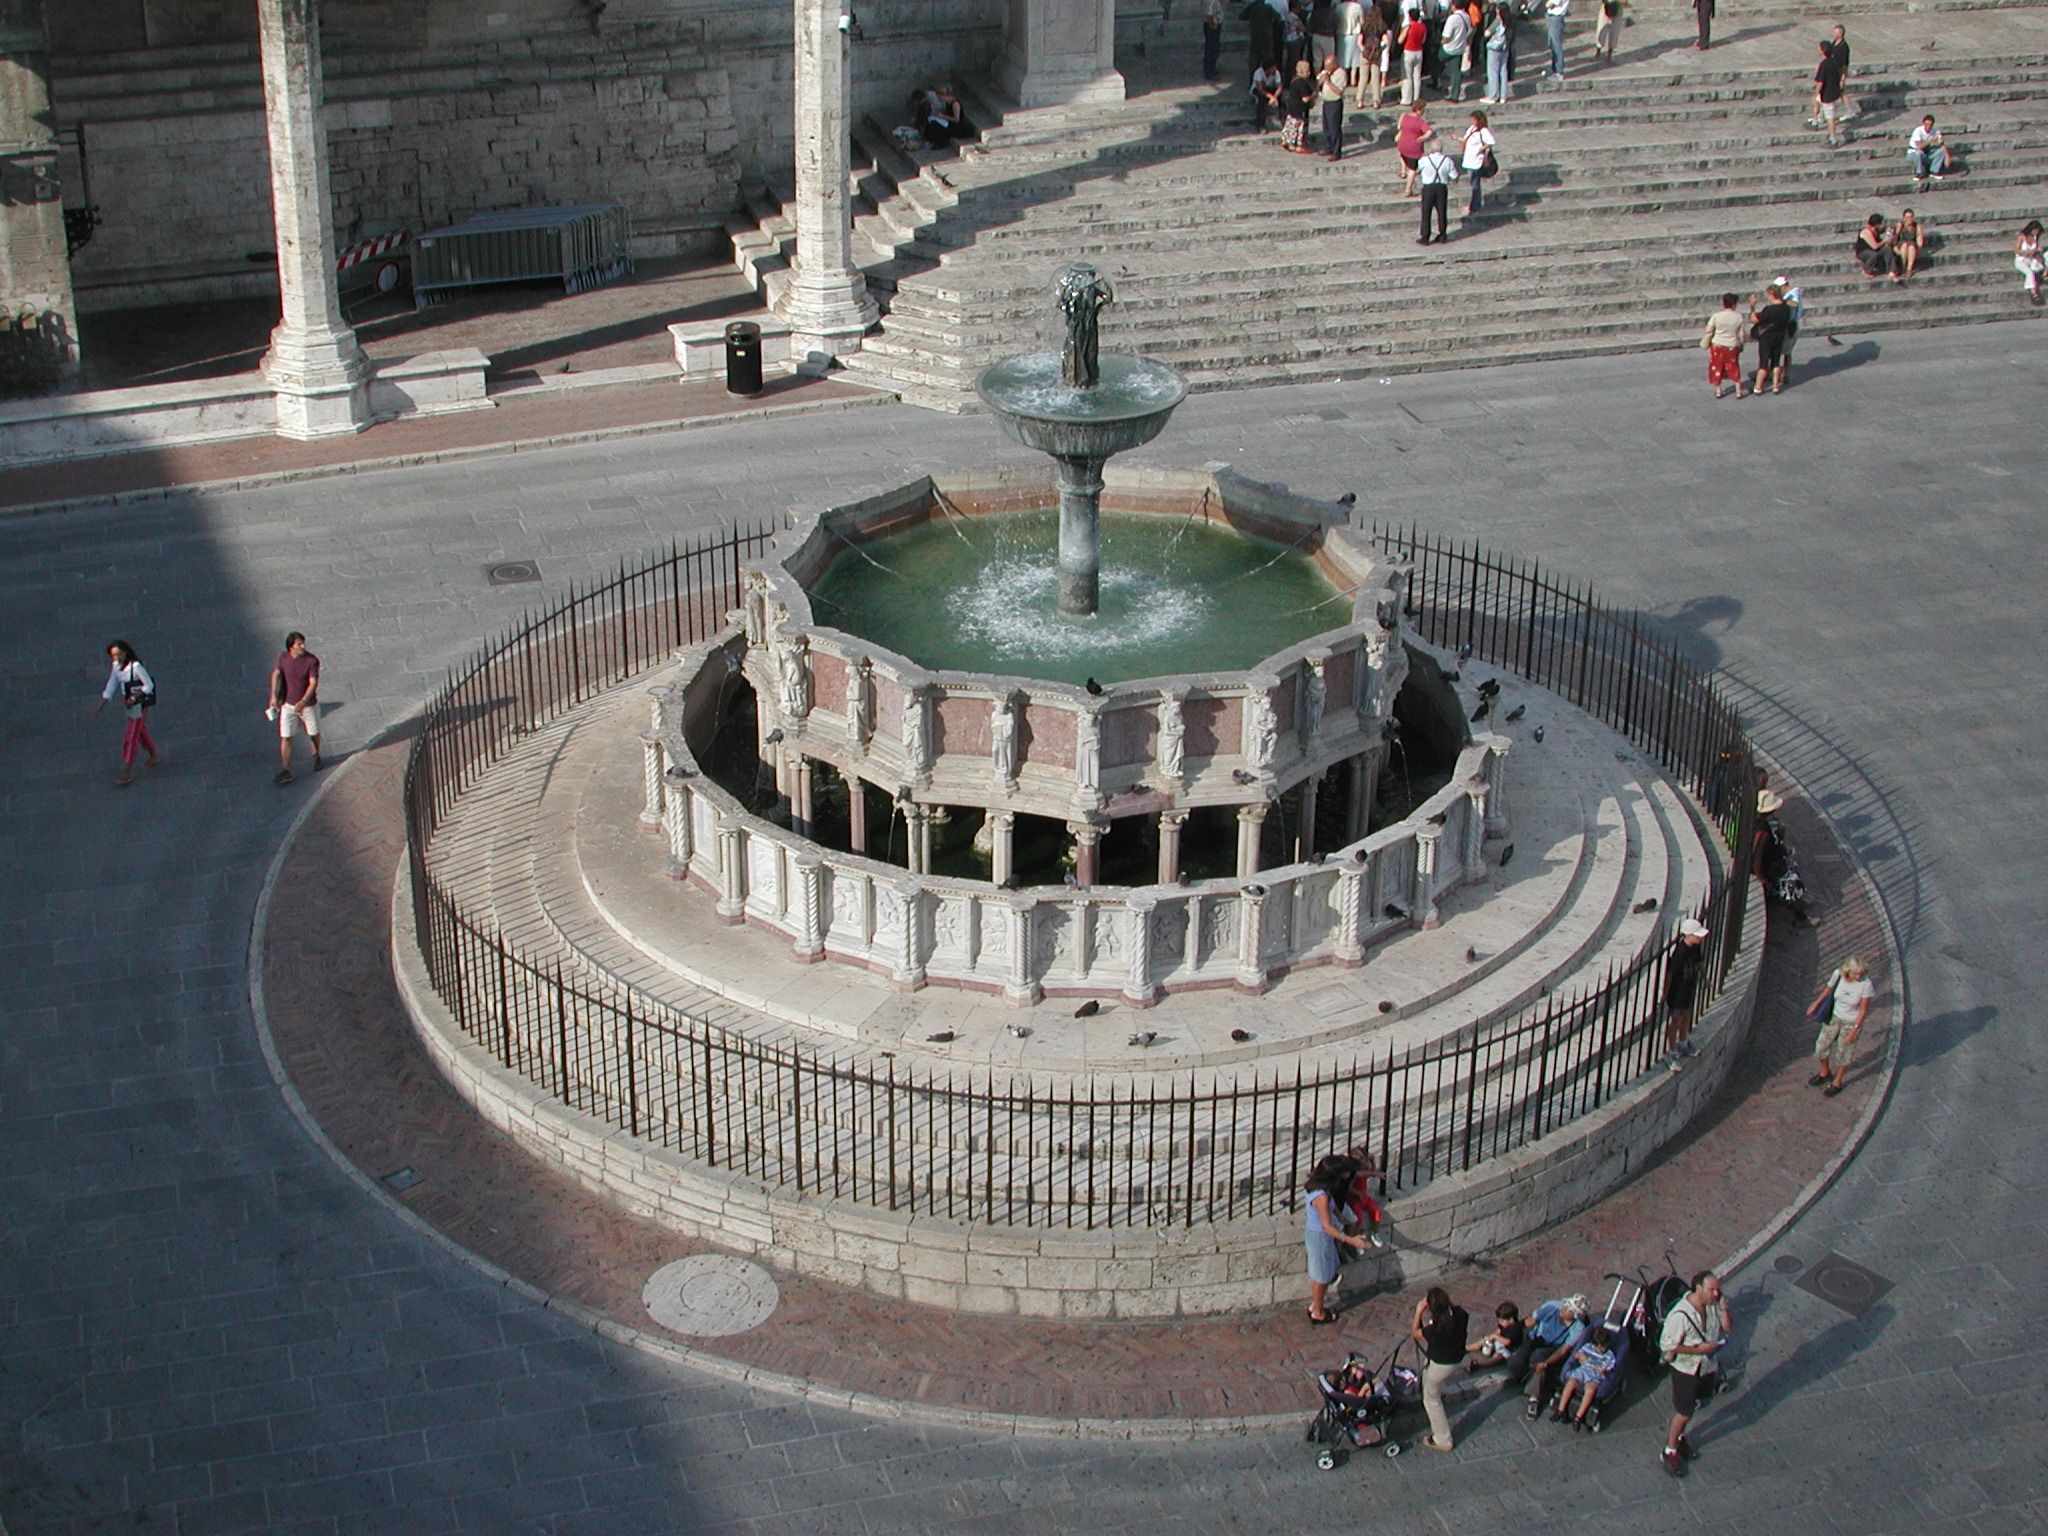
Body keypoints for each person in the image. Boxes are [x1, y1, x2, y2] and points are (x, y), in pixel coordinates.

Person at [1659, 1270, 1732, 1477]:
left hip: (1706, 1366)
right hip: (1686, 1369)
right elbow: (1667, 1344)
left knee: (1697, 1404)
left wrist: (1724, 1309)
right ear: (1698, 1288)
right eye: (1712, 1290)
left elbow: (1728, 1328)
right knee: (1684, 1412)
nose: (1716, 1294)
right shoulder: (1680, 1315)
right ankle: (1670, 1449)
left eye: (1718, 1289)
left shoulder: (1714, 1306)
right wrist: (1696, 1350)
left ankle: (1680, 1440)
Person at [1303, 1153, 1373, 1322]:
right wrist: (1352, 1240)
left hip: (1321, 1236)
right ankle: (1317, 1312)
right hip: (1320, 1237)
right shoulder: (1322, 1196)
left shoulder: (1319, 1187)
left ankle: (1316, 1306)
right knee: (1322, 1277)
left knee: (1327, 1271)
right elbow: (1326, 1226)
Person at [1409, 1285, 1470, 1452]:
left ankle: (1443, 1439)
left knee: (1431, 1399)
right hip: (1456, 1357)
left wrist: (1418, 1311)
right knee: (1433, 1387)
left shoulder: (1436, 1330)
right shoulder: (1460, 1314)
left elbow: (1415, 1333)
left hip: (1440, 1364)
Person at [94, 639, 159, 788]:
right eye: (113, 656)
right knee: (139, 731)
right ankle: (153, 754)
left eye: (118, 654)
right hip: (128, 702)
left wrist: (134, 697)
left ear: (125, 652)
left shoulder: (136, 667)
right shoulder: (117, 666)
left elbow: (149, 685)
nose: (116, 658)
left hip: (137, 703)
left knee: (131, 736)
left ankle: (127, 771)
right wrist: (101, 704)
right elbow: (112, 683)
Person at [1807, 955, 1874, 1097]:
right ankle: (1824, 1072)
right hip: (1834, 1017)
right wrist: (1816, 1003)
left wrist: (1854, 1030)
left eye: (1861, 973)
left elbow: (1863, 1010)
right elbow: (1828, 989)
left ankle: (1837, 1081)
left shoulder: (1866, 985)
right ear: (1848, 970)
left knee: (1844, 1053)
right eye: (1855, 973)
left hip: (1850, 1022)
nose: (1858, 976)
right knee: (1821, 1047)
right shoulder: (1838, 975)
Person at [1515, 1294, 1590, 1415]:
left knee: (1538, 1357)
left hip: (1554, 1347)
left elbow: (1563, 1350)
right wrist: (1514, 1327)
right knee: (1516, 1361)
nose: (1564, 1309)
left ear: (1574, 1316)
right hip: (1537, 1338)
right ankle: (1528, 1376)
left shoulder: (1578, 1327)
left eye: (1568, 1310)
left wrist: (1546, 1363)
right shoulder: (1552, 1306)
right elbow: (1532, 1320)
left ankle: (1534, 1397)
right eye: (1565, 1306)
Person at [269, 631, 323, 785]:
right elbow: (276, 674)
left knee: (313, 733)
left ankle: (316, 754)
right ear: (291, 647)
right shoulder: (283, 658)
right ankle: (286, 770)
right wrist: (273, 695)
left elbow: (313, 683)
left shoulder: (312, 661)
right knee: (286, 737)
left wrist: (303, 701)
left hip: (308, 705)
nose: (303, 646)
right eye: (299, 644)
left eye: (303, 643)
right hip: (288, 704)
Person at [1551, 1325, 1618, 1428]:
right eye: (1598, 1347)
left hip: (1595, 1375)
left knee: (1590, 1390)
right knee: (1570, 1384)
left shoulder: (1609, 1355)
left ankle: (1578, 1416)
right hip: (1582, 1371)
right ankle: (1561, 1410)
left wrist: (1604, 1371)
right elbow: (1577, 1354)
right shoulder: (1587, 1347)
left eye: (1603, 1347)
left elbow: (1609, 1370)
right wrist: (1580, 1357)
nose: (1601, 1350)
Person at [1663, 915, 1709, 1067]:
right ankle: (1671, 1051)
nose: (1700, 938)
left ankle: (1683, 1042)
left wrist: (1704, 978)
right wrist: (1665, 993)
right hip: (1678, 991)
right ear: (1689, 935)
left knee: (1686, 1015)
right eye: (1697, 935)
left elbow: (1698, 962)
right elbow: (1670, 973)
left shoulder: (1694, 947)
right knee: (1676, 1019)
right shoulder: (1680, 952)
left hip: (1689, 986)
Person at [1748, 283, 1792, 395]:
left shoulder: (1769, 309)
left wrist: (1752, 306)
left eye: (1768, 294)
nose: (1767, 297)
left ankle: (1758, 387)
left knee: (1763, 362)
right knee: (1776, 361)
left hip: (1767, 338)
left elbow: (1754, 319)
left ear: (1772, 294)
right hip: (1779, 336)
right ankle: (1775, 386)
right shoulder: (1786, 308)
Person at [1700, 293, 1746, 400]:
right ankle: (1738, 391)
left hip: (1718, 345)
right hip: (1732, 345)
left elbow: (1708, 330)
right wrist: (1742, 344)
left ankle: (1718, 391)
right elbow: (1742, 334)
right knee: (1734, 367)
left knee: (1717, 366)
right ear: (1734, 304)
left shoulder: (1716, 316)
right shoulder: (1738, 317)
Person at [1416, 135, 1459, 244]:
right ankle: (1442, 235)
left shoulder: (1424, 160)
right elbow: (1454, 176)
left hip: (1428, 187)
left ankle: (1425, 236)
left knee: (1426, 212)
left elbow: (1417, 170)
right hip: (1441, 187)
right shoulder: (1448, 160)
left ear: (1431, 148)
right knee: (1442, 211)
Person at [1466, 1300, 1526, 1370]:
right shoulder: (1504, 1325)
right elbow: (1498, 1331)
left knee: (1498, 1357)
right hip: (1500, 1343)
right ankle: (1468, 1348)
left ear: (1511, 1320)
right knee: (1484, 1340)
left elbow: (1508, 1342)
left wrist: (1496, 1337)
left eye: (1502, 1321)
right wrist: (1491, 1338)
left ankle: (1479, 1364)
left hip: (1509, 1349)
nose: (1500, 1323)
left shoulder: (1516, 1328)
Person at [1812, 37, 1847, 147]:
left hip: (1827, 94)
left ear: (1822, 50)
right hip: (1833, 91)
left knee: (1830, 117)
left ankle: (1833, 139)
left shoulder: (1824, 64)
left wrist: (1816, 92)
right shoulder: (1835, 62)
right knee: (1816, 103)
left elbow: (1820, 82)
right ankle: (1815, 120)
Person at [1460, 109, 1495, 217]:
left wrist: (1482, 148)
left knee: (1475, 184)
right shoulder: (1471, 128)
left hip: (1476, 161)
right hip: (1469, 159)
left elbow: (1491, 141)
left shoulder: (1483, 131)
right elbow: (1465, 138)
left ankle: (1474, 206)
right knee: (1473, 183)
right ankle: (1474, 205)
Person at [1355, 0, 1388, 106]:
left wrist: (1364, 50)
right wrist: (1380, 49)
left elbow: (1359, 42)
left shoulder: (1365, 26)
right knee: (1375, 78)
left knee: (1363, 78)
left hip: (1365, 54)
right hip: (1376, 55)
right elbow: (1386, 41)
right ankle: (1376, 101)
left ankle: (1360, 100)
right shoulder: (1381, 26)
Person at [1317, 54, 1350, 159]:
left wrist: (1328, 82)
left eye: (1328, 66)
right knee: (1326, 127)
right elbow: (1318, 83)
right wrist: (1321, 80)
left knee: (1334, 128)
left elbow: (1339, 91)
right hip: (1326, 102)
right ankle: (1328, 147)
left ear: (1334, 64)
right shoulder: (1326, 72)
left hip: (1334, 103)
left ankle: (1336, 152)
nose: (1326, 68)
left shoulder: (1341, 74)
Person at [1438, 0, 1472, 101]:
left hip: (1449, 48)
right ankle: (1454, 95)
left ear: (1453, 6)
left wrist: (1441, 42)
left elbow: (1446, 37)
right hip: (1460, 47)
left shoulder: (1452, 19)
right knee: (1455, 72)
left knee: (1436, 61)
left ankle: (1437, 81)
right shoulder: (1467, 16)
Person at [1281, 57, 1317, 151]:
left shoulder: (1294, 81)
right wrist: (1313, 96)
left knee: (1290, 124)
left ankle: (1286, 140)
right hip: (1299, 109)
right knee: (1298, 127)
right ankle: (1297, 144)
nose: (1309, 73)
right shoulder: (1302, 83)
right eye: (1307, 71)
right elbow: (1305, 99)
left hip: (1292, 107)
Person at [1395, 99, 1431, 194]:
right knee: (1412, 169)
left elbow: (1399, 127)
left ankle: (1403, 171)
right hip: (1413, 147)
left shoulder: (1404, 116)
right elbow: (1429, 132)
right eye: (1423, 109)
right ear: (1419, 110)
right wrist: (1423, 138)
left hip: (1403, 144)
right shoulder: (1420, 122)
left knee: (1402, 155)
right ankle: (1408, 189)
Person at [1855, 212, 1900, 282]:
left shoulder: (1876, 230)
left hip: (1874, 250)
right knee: (1873, 254)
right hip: (1863, 252)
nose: (1881, 225)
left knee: (1887, 249)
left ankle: (1892, 271)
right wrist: (1884, 241)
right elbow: (1875, 246)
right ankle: (1866, 270)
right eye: (1880, 223)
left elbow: (1885, 229)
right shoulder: (1866, 231)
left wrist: (1889, 230)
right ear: (1876, 224)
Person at [1482, 2, 1512, 100]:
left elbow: (1487, 33)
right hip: (1505, 47)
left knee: (1493, 72)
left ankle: (1493, 95)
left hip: (1494, 47)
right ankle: (1503, 95)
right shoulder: (1509, 21)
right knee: (1503, 71)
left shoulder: (1497, 21)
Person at [1775, 273, 1804, 374]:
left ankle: (1784, 373)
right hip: (1785, 323)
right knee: (1783, 351)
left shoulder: (1793, 293)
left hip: (1790, 324)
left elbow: (1794, 304)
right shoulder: (1787, 293)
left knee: (1786, 351)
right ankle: (1780, 372)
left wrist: (1782, 301)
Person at [1907, 115, 1947, 189]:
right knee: (1919, 152)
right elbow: (1918, 146)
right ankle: (1918, 172)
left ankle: (1934, 171)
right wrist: (1930, 141)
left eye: (1930, 125)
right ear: (1923, 123)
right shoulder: (1918, 131)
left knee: (1941, 151)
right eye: (1926, 125)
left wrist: (1941, 142)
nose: (1928, 127)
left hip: (1926, 153)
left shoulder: (1935, 131)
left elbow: (1941, 143)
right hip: (1913, 153)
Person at [1399, 7, 1428, 104]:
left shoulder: (1409, 26)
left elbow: (1400, 40)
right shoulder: (1423, 26)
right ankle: (1416, 98)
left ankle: (1406, 99)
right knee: (1417, 76)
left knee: (1407, 76)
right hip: (1419, 51)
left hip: (1408, 51)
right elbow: (1423, 40)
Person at [1251, 57, 1285, 130]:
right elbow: (1260, 89)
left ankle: (1283, 120)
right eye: (1272, 68)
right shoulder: (1258, 73)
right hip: (1258, 90)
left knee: (1282, 99)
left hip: (1271, 89)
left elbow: (1279, 87)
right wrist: (1270, 97)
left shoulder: (1276, 72)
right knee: (1260, 102)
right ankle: (1261, 125)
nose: (1274, 70)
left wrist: (1275, 97)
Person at [1892, 207, 1926, 280]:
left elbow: (1919, 242)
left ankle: (1909, 269)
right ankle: (1903, 266)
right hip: (1901, 243)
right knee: (1904, 246)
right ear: (1904, 218)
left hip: (1912, 244)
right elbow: (1895, 238)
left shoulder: (1917, 226)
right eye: (1907, 217)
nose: (1909, 219)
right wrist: (1894, 246)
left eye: (1911, 217)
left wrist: (1920, 237)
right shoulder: (1900, 225)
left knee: (1911, 247)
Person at [2017, 220, 2045, 305]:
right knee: (2029, 273)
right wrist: (2029, 251)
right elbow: (2016, 250)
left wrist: (2038, 250)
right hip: (2021, 260)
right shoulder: (2022, 237)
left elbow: (2035, 251)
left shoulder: (2035, 238)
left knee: (2041, 265)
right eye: (2035, 230)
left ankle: (2041, 277)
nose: (2036, 233)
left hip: (2031, 259)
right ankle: (2034, 293)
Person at [1542, 0, 1568, 80]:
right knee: (1552, 44)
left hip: (1556, 18)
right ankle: (1554, 69)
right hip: (1552, 17)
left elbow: (1549, 4)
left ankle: (1559, 72)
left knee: (1556, 46)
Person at [1202, 0, 1226, 80]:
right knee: (1211, 48)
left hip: (1215, 25)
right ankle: (1209, 71)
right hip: (1212, 26)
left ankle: (1212, 68)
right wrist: (1213, 26)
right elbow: (1209, 15)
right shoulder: (1212, 1)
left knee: (1213, 48)